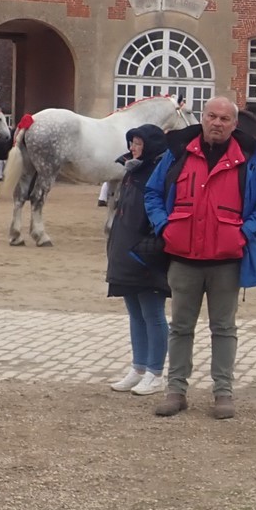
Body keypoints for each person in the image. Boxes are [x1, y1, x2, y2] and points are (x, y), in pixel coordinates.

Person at [144, 96, 256, 420]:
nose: (217, 123)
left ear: (235, 124)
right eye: (212, 116)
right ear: (202, 118)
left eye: (224, 119)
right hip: (183, 259)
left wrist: (244, 233)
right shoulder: (177, 154)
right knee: (180, 328)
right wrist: (165, 226)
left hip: (226, 262)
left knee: (224, 329)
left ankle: (223, 393)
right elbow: (152, 193)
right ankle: (176, 391)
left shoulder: (250, 159)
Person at [107, 123, 170, 397]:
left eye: (138, 143)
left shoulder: (160, 172)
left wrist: (151, 245)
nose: (133, 148)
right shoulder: (131, 170)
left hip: (147, 254)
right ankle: (139, 367)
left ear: (150, 146)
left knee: (153, 314)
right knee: (135, 313)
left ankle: (156, 373)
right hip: (124, 251)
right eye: (132, 142)